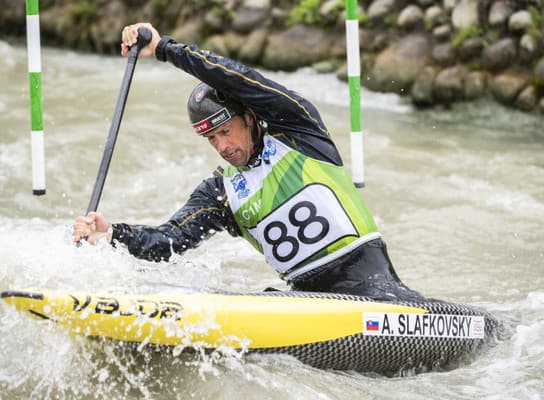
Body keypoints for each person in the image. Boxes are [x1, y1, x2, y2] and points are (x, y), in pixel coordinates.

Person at [73, 22, 423, 301]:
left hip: (376, 289)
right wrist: (113, 235)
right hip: (308, 301)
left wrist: (165, 50)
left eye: (226, 131)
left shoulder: (300, 132)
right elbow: (169, 240)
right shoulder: (221, 193)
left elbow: (241, 79)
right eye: (211, 139)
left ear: (250, 117)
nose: (221, 146)